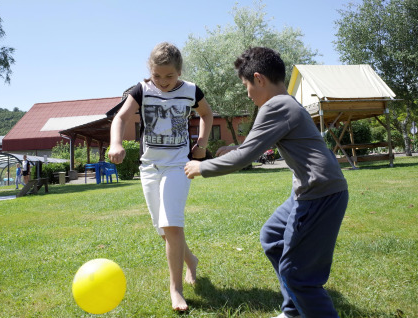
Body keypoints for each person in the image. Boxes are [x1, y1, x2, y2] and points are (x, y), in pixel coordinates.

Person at [184, 47, 349, 318]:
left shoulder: (276, 105)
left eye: (247, 86)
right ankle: (293, 311)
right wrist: (231, 150)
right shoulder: (285, 103)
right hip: (310, 191)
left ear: (259, 79)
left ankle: (303, 306)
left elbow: (245, 156)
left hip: (319, 194)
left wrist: (203, 166)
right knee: (272, 235)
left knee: (298, 275)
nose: (248, 93)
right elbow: (252, 144)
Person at [108, 42, 213, 311]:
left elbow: (206, 114)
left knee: (172, 226)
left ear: (179, 72)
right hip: (149, 169)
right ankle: (191, 260)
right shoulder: (141, 90)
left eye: (170, 76)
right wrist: (116, 143)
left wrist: (201, 143)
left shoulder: (191, 90)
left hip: (179, 166)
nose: (164, 82)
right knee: (164, 232)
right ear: (149, 71)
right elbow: (119, 118)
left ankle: (175, 290)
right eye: (158, 75)